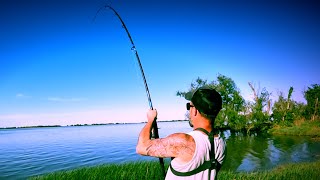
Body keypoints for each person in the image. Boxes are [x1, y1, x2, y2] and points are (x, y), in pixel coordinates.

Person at [136, 87, 226, 180]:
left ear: (194, 110)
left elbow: (141, 147)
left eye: (189, 106)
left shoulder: (183, 141)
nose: (189, 110)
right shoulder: (221, 144)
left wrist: (150, 120)